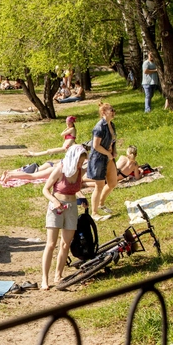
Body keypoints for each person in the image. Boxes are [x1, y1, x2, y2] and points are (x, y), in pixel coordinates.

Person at [40, 144, 88, 290]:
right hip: (56, 207)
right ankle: (44, 278)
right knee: (51, 244)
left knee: (65, 244)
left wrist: (82, 198)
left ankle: (58, 275)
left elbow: (79, 188)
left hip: (72, 207)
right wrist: (54, 201)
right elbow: (45, 189)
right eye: (79, 162)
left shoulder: (80, 171)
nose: (80, 165)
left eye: (82, 162)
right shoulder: (60, 169)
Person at [84, 102, 117, 220]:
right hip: (98, 159)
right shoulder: (99, 127)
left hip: (108, 158)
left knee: (113, 183)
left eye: (114, 110)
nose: (114, 112)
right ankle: (94, 213)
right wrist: (108, 153)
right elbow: (96, 146)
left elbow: (113, 140)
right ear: (104, 112)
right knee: (99, 186)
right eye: (111, 110)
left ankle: (101, 203)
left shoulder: (111, 125)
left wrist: (113, 151)